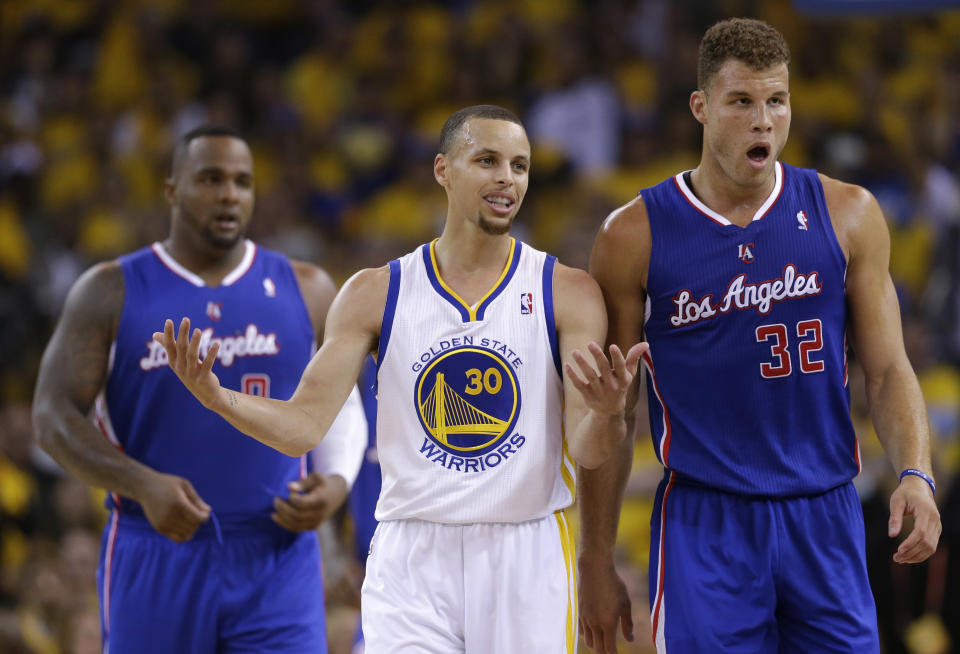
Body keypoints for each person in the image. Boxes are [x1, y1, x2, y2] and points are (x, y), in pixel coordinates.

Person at [154, 104, 647, 654]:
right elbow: (302, 426)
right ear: (443, 170)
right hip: (411, 554)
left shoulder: (567, 290)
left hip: (524, 549)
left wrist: (607, 413)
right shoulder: (374, 292)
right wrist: (218, 397)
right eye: (486, 160)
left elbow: (591, 450)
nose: (507, 177)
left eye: (520, 165)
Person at [577, 17, 942, 653]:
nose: (763, 120)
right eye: (741, 101)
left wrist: (917, 471)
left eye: (777, 101)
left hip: (824, 512)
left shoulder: (848, 213)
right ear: (701, 107)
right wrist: (595, 558)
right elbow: (617, 407)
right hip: (704, 522)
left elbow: (887, 370)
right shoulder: (632, 235)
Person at [31, 125, 367, 653]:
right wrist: (141, 483)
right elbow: (52, 418)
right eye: (211, 179)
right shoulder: (110, 289)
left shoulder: (307, 287)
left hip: (277, 552)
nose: (230, 193)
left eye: (242, 181)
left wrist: (338, 479)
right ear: (172, 190)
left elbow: (342, 398)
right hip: (156, 544)